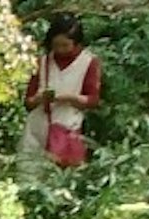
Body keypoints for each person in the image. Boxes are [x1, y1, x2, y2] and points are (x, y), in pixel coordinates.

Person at [23, 15, 101, 169]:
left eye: (65, 45)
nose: (60, 50)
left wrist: (70, 98)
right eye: (56, 45)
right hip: (38, 127)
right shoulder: (43, 62)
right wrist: (39, 99)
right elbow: (28, 101)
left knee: (63, 175)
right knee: (30, 173)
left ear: (76, 43)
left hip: (67, 128)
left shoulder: (89, 63)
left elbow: (93, 99)